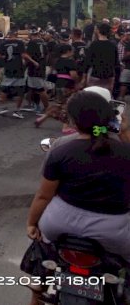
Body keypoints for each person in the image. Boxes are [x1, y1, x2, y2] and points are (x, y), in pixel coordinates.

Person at [24, 90, 130, 305]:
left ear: (72, 119)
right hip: (113, 233)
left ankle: (38, 292)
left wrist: (31, 224)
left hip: (59, 225)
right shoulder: (125, 151)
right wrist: (124, 131)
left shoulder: (61, 149)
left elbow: (44, 196)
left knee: (43, 249)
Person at [84, 21, 118, 91]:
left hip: (95, 74)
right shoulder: (113, 45)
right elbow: (116, 62)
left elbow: (88, 61)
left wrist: (84, 76)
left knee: (94, 95)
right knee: (106, 96)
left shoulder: (94, 45)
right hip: (109, 75)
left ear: (98, 31)